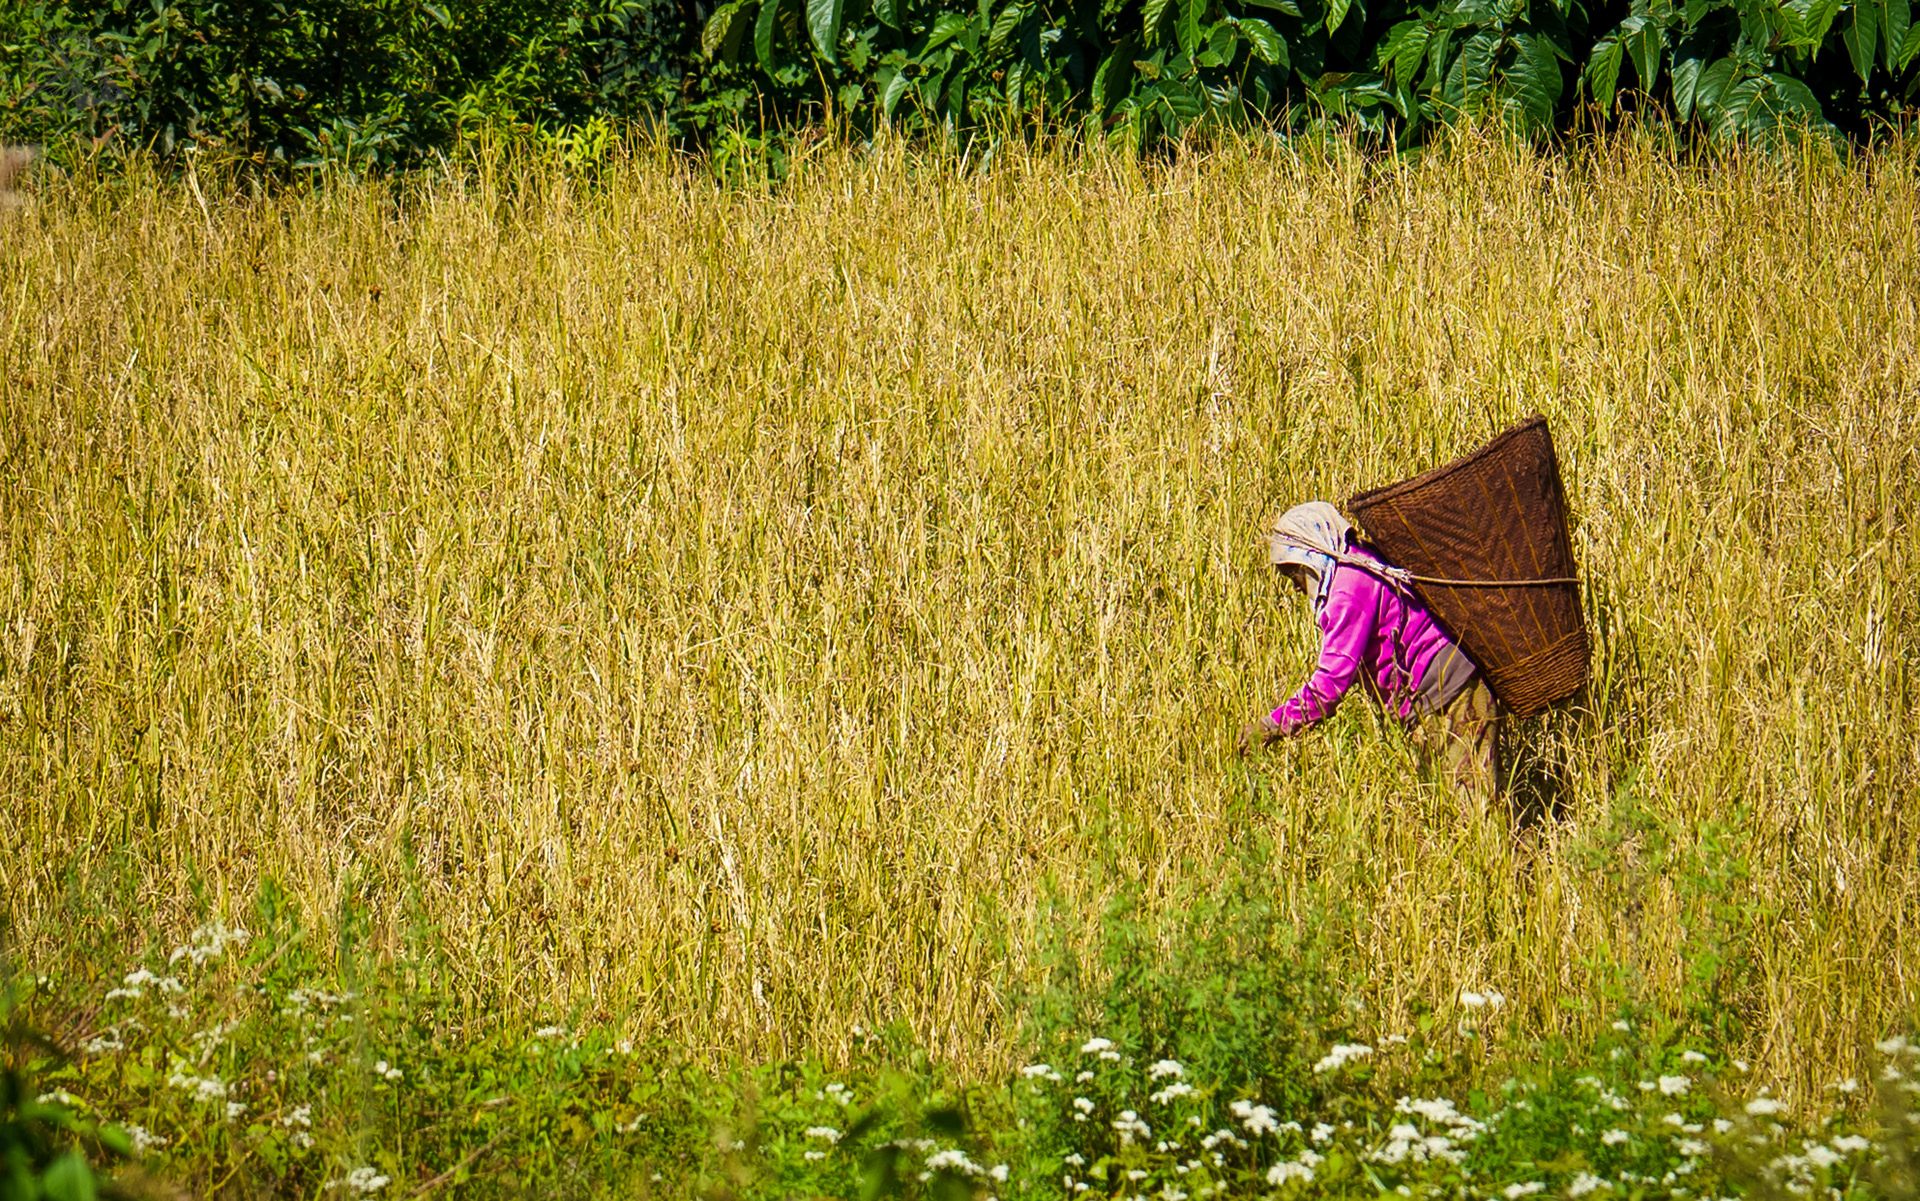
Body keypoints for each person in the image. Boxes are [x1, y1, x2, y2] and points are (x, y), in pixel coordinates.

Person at [1237, 500, 1502, 810]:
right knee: (1443, 811)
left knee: (1474, 811)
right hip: (1433, 696)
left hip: (1449, 693)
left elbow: (1329, 685)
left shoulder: (1348, 589)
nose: (1294, 586)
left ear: (1310, 556)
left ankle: (1522, 857)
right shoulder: (1359, 563)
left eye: (1292, 572)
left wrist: (1271, 726)